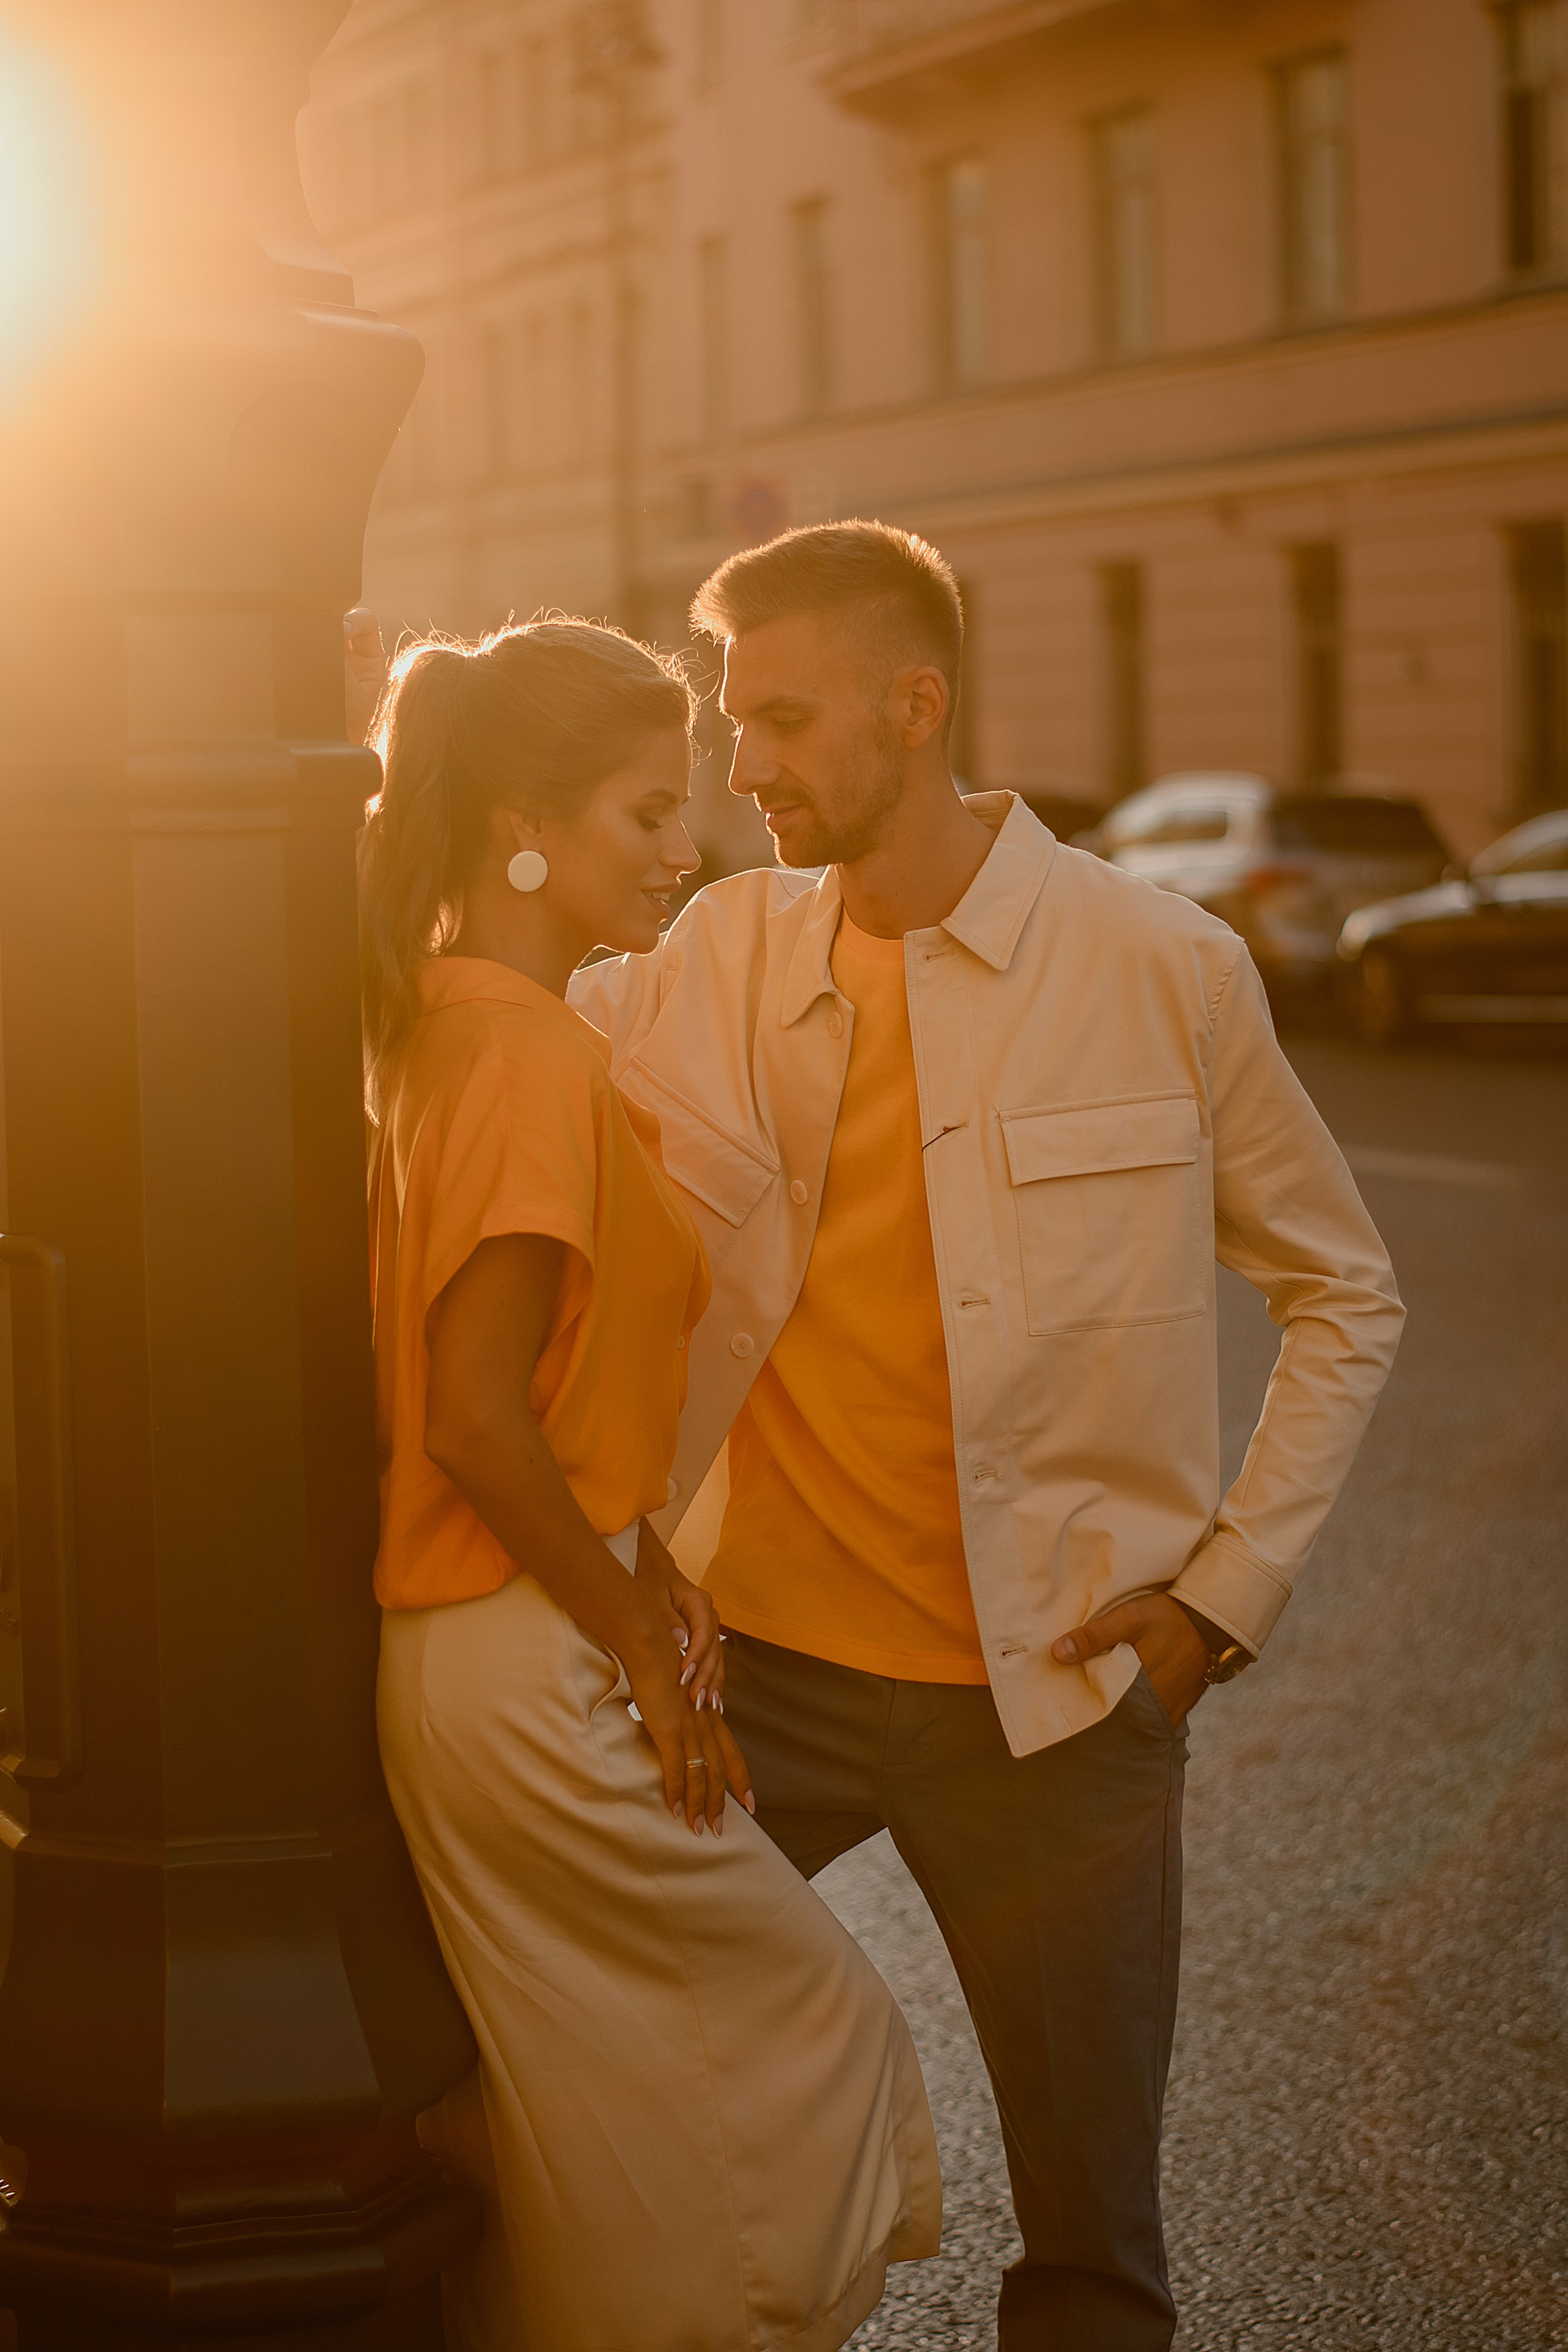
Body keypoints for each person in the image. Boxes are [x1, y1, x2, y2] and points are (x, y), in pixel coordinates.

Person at [568, 522, 1406, 2352]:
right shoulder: (716, 952)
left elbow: (1348, 1291)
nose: (742, 767)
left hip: (1056, 1706)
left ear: (915, 704)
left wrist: (1223, 1600)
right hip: (750, 1681)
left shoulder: (1161, 968)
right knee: (569, 2061)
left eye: (778, 717)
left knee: (1094, 2244)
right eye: (729, 719)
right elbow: (493, 1020)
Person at [359, 617, 940, 2352]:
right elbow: (473, 1414)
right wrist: (630, 1628)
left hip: (496, 1630)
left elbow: (528, 1394)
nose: (684, 851)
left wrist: (644, 1570)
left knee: (598, 2080)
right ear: (520, 830)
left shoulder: (446, 1022)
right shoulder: (525, 1051)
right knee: (801, 2008)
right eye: (644, 815)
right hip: (518, 1642)